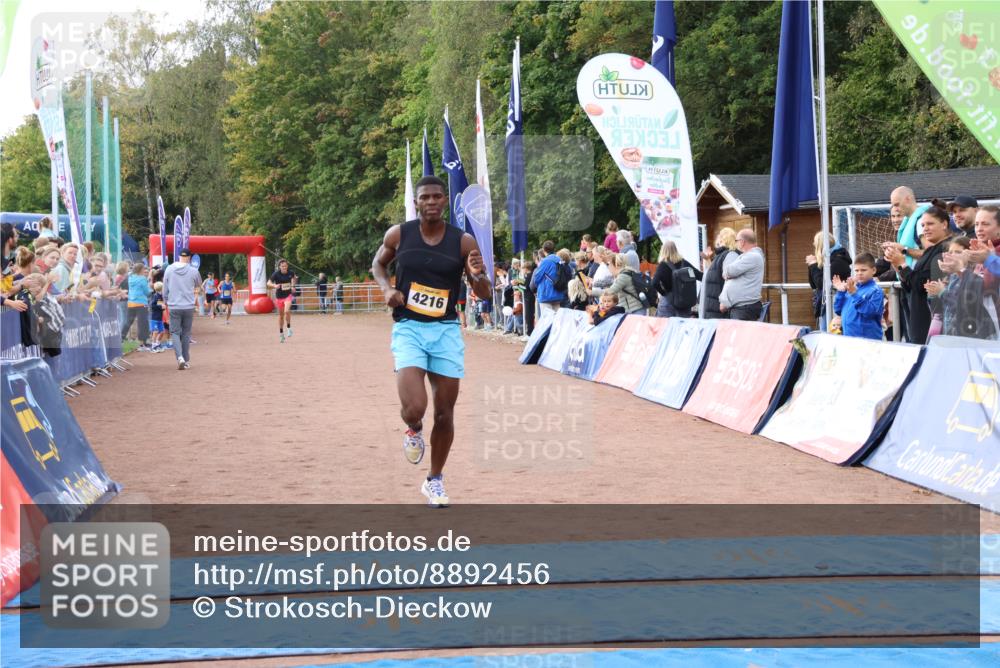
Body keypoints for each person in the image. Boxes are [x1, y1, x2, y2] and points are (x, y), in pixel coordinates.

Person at [371, 175, 492, 508]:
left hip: (446, 331)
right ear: (417, 202)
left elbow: (484, 293)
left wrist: (478, 276)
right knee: (415, 408)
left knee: (445, 414)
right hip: (409, 327)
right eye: (426, 197)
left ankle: (434, 480)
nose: (432, 202)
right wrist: (387, 289)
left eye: (438, 196)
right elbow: (378, 264)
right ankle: (412, 428)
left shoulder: (463, 242)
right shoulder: (399, 234)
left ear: (445, 201)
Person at [884, 206, 952, 343]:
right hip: (919, 319)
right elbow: (911, 284)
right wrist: (897, 265)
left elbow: (922, 285)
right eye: (922, 225)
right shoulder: (930, 250)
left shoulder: (946, 249)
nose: (925, 228)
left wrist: (903, 264)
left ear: (944, 224)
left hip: (933, 324)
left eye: (930, 224)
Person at [163, 248, 202, 370]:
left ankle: (179, 357)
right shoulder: (193, 271)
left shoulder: (169, 269)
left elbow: (165, 288)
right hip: (188, 306)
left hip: (174, 305)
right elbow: (199, 285)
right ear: (189, 258)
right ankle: (185, 359)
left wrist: (165, 300)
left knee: (174, 332)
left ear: (178, 257)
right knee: (186, 333)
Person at [832, 253, 884, 340]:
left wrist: (854, 295)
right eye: (856, 270)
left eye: (863, 270)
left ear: (874, 270)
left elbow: (870, 313)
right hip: (849, 338)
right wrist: (841, 291)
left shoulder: (876, 291)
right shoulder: (852, 288)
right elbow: (838, 310)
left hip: (868, 341)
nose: (859, 273)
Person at [806, 231, 852, 330]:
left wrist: (814, 265)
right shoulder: (828, 259)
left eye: (815, 244)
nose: (814, 246)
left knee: (831, 336)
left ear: (820, 246)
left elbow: (821, 284)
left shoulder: (838, 261)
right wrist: (812, 266)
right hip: (826, 305)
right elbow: (813, 284)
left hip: (834, 306)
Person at [719, 229, 766, 321]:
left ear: (742, 242)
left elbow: (728, 271)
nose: (736, 243)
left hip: (744, 309)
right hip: (741, 308)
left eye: (736, 241)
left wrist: (728, 274)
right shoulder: (748, 256)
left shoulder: (752, 256)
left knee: (741, 335)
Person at [653, 240, 702, 317]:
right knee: (683, 327)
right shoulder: (684, 263)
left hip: (668, 304)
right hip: (684, 303)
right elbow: (700, 276)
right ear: (676, 250)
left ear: (663, 251)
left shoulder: (662, 265)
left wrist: (664, 293)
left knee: (666, 327)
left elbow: (654, 283)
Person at [701, 228, 738, 319]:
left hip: (718, 312)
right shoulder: (719, 256)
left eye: (720, 237)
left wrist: (725, 302)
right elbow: (713, 276)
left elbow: (730, 280)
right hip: (712, 310)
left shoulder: (730, 255)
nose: (718, 240)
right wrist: (707, 260)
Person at [890, 186, 930, 265]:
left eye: (897, 204)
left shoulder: (921, 221)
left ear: (908, 199)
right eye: (893, 205)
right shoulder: (908, 222)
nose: (895, 209)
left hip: (921, 276)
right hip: (910, 275)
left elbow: (930, 254)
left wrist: (903, 249)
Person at [530, 240, 567, 316]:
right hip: (558, 293)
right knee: (556, 320)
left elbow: (537, 278)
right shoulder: (560, 260)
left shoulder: (545, 261)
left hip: (546, 294)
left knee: (547, 320)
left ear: (544, 250)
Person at [120, 263, 152, 351]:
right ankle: (143, 343)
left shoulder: (130, 278)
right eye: (143, 269)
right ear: (140, 270)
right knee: (143, 323)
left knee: (128, 321)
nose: (144, 271)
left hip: (131, 303)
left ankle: (121, 338)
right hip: (141, 303)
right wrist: (152, 290)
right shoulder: (142, 279)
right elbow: (146, 292)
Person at [267, 259, 297, 341]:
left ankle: (289, 328)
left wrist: (293, 286)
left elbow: (294, 278)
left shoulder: (290, 273)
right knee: (281, 316)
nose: (284, 267)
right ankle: (281, 333)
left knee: (286, 311)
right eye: (282, 266)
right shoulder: (276, 274)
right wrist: (274, 285)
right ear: (279, 266)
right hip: (279, 297)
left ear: (287, 266)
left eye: (285, 266)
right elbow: (268, 283)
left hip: (288, 295)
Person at [148, 281, 167, 351]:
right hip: (154, 317)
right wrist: (161, 306)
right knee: (155, 331)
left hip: (160, 317)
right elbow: (152, 306)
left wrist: (163, 307)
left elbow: (160, 305)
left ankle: (157, 343)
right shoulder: (155, 296)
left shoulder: (161, 296)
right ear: (161, 288)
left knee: (162, 332)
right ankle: (153, 346)